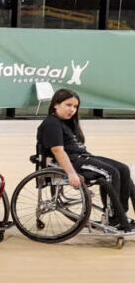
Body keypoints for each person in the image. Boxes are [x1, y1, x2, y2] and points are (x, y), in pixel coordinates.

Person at [37, 88, 135, 231]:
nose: (72, 110)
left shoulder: (68, 123)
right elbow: (57, 151)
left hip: (82, 157)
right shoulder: (51, 123)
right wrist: (71, 173)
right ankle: (114, 219)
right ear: (55, 104)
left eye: (75, 107)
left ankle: (121, 214)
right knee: (110, 173)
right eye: (68, 105)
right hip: (70, 162)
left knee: (123, 169)